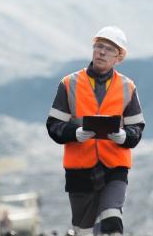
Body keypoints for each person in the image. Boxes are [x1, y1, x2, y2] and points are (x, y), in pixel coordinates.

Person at [46, 26, 145, 236]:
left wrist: (125, 136)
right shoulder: (68, 84)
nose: (101, 52)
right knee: (84, 231)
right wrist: (74, 133)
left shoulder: (128, 87)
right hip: (79, 170)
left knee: (112, 222)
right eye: (99, 46)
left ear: (119, 57)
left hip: (114, 168)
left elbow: (137, 127)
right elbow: (53, 126)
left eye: (109, 49)